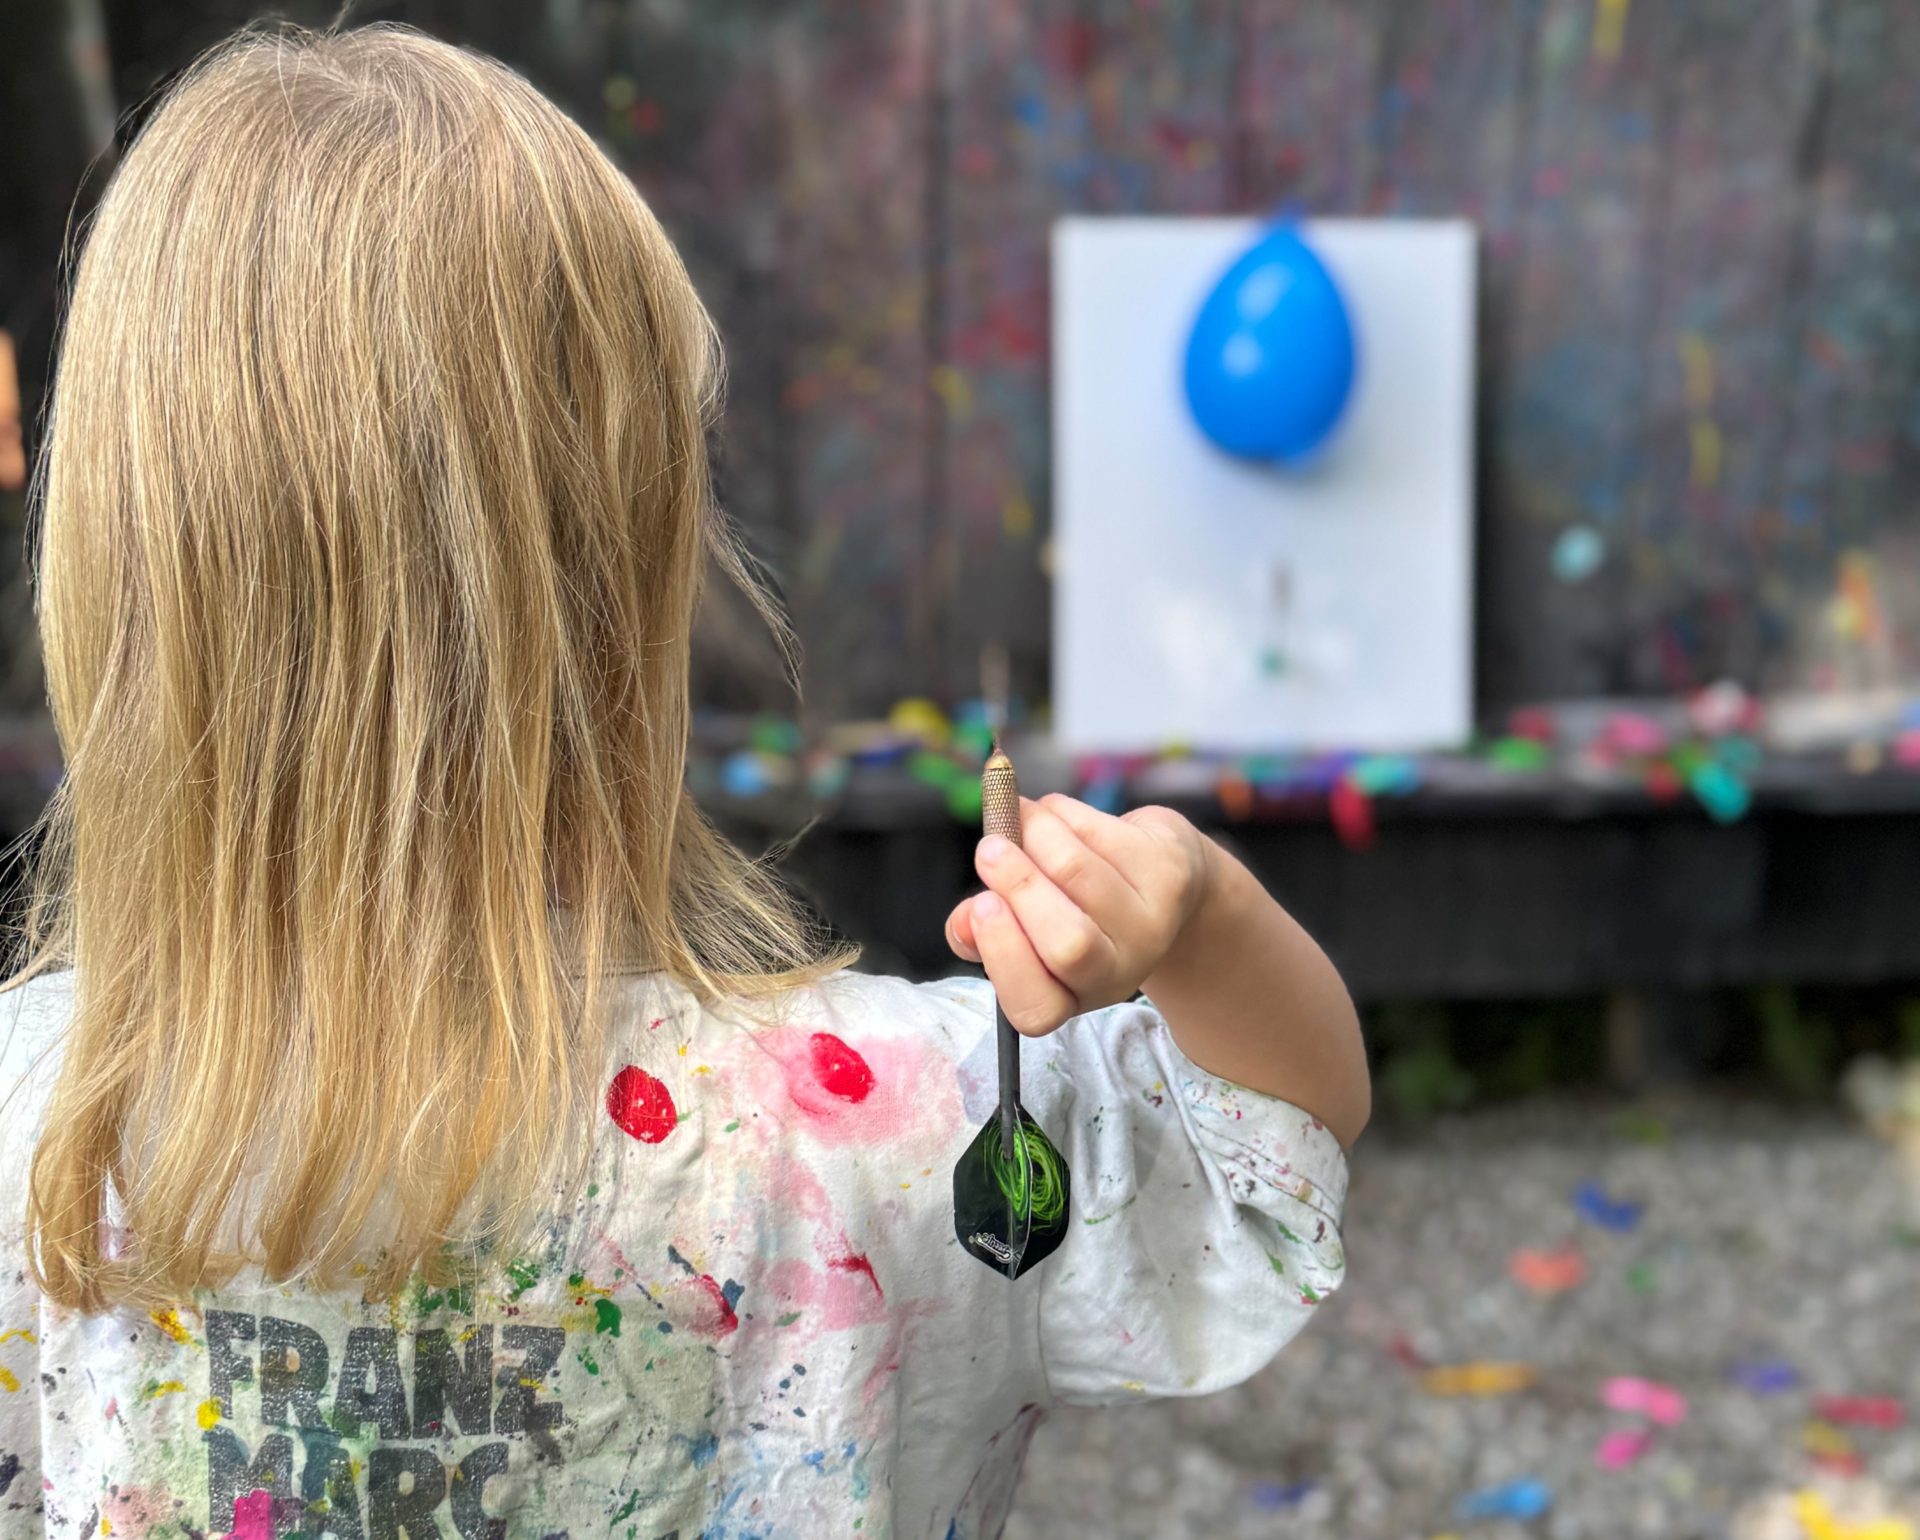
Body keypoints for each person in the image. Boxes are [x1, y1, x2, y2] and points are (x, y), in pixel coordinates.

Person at [0, 24, 1369, 1540]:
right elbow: (1274, 1143)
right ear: (638, 559)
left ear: (121, 579)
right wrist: (1203, 908)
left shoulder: (38, 1127)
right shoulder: (904, 1126)